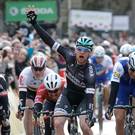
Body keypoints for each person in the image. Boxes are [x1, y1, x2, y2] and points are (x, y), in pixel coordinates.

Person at [26, 10, 96, 135]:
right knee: (57, 123)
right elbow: (49, 41)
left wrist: (91, 112)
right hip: (67, 95)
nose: (82, 52)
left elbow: (90, 96)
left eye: (85, 50)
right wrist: (35, 24)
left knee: (85, 126)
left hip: (83, 99)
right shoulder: (68, 55)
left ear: (89, 53)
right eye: (79, 49)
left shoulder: (90, 71)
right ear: (75, 50)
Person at [16, 52, 54, 135]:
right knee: (28, 110)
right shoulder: (25, 73)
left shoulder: (50, 74)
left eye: (40, 69)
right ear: (31, 67)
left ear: (45, 67)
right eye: (35, 69)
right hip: (30, 92)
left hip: (45, 92)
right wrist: (21, 107)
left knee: (48, 109)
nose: (38, 72)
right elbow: (22, 93)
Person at [105, 52, 135, 135]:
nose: (134, 74)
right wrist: (110, 107)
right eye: (132, 70)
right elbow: (114, 88)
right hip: (122, 86)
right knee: (119, 118)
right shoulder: (119, 65)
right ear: (128, 65)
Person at [90, 46, 113, 110]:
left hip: (104, 77)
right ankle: (93, 108)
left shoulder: (108, 59)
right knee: (91, 91)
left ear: (104, 56)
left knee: (107, 87)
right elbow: (88, 73)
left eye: (101, 57)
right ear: (95, 56)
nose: (99, 59)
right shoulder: (90, 60)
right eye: (97, 57)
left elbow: (111, 71)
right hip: (95, 78)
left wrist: (108, 80)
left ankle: (106, 105)